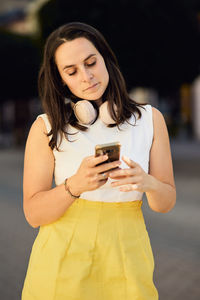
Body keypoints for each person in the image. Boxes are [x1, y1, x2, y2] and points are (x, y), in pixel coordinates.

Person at [21, 22, 176, 300]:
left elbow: (165, 202)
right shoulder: (46, 127)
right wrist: (75, 186)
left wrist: (148, 182)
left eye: (91, 62)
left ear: (105, 58)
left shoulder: (150, 120)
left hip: (128, 258)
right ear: (61, 80)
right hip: (61, 261)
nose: (87, 76)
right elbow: (33, 215)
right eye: (72, 71)